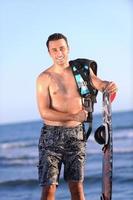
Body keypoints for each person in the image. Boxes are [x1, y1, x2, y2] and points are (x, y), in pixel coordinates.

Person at [36, 33, 117, 200]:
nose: (59, 53)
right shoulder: (44, 78)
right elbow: (44, 112)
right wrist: (73, 115)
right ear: (49, 53)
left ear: (68, 49)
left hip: (76, 135)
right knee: (49, 189)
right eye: (55, 50)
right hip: (51, 136)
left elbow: (98, 83)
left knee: (77, 188)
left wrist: (108, 86)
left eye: (62, 48)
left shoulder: (81, 70)